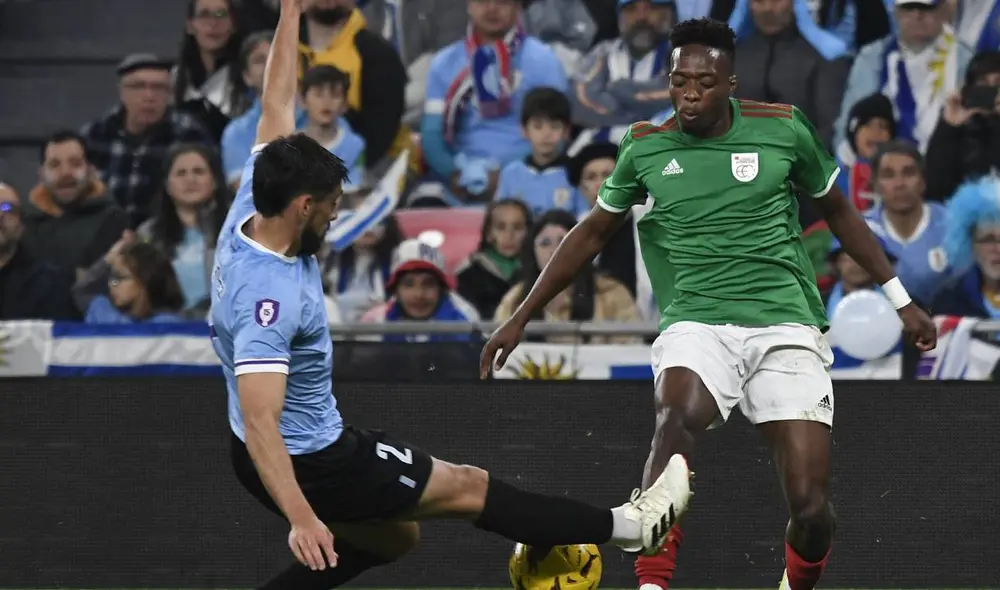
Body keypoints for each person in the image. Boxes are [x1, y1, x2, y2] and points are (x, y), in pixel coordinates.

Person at [208, 2, 691, 588]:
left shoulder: (256, 197)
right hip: (307, 460)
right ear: (303, 206)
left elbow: (276, 101)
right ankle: (629, 527)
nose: (338, 216)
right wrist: (301, 517)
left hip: (269, 449)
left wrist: (290, 12)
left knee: (392, 537)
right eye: (333, 205)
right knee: (467, 487)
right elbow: (264, 421)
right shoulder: (270, 299)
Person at [480, 17, 938, 590]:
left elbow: (840, 212)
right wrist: (520, 316)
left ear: (731, 83)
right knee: (675, 420)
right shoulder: (644, 146)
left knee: (811, 509)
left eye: (703, 81)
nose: (690, 93)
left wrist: (899, 299)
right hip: (696, 320)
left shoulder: (783, 129)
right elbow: (593, 232)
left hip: (786, 322)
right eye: (679, 81)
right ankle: (652, 586)